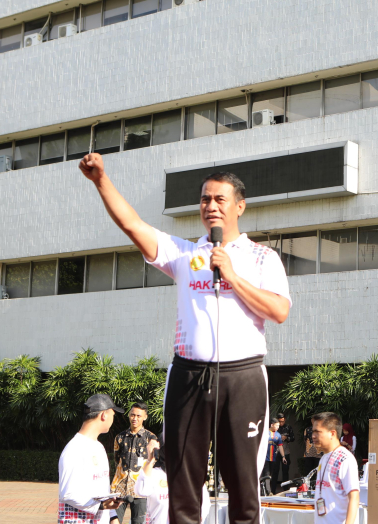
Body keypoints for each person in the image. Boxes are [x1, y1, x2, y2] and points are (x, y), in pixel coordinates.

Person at [79, 155, 291, 524]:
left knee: (243, 486)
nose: (211, 206)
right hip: (189, 376)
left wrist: (232, 276)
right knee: (183, 485)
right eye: (205, 199)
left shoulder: (262, 258)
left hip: (243, 378)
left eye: (220, 199)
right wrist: (100, 180)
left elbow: (279, 311)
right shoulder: (183, 253)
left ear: (240, 205)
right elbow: (132, 225)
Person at [58, 394, 124, 524]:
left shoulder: (99, 447)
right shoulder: (74, 449)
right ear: (103, 415)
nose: (113, 418)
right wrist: (101, 506)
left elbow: (104, 491)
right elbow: (68, 494)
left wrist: (113, 517)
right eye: (113, 414)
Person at [134, 439, 211, 524]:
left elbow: (205, 505)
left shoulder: (191, 475)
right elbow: (141, 491)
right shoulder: (154, 473)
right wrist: (150, 460)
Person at [112, 402, 159, 524]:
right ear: (129, 415)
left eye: (138, 416)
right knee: (113, 520)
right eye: (133, 415)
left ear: (145, 417)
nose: (135, 418)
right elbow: (117, 459)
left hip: (140, 488)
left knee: (138, 522)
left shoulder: (151, 438)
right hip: (119, 487)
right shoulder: (119, 437)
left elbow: (154, 463)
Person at [311, 412, 359, 524]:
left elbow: (354, 497)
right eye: (313, 432)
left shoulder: (345, 458)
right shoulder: (323, 458)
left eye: (317, 432)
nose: (313, 436)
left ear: (332, 433)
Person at [265, 418, 287, 492]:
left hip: (273, 458)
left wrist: (283, 457)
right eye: (277, 425)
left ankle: (269, 490)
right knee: (266, 475)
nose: (278, 427)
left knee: (271, 475)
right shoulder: (264, 432)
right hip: (265, 458)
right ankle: (268, 492)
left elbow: (280, 446)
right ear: (272, 425)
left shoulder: (278, 435)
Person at [276, 413, 295, 485]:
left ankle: (285, 488)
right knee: (275, 471)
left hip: (286, 451)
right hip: (276, 452)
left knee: (285, 471)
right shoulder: (275, 428)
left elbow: (293, 438)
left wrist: (286, 438)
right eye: (280, 421)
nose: (281, 423)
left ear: (285, 420)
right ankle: (273, 490)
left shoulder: (288, 427)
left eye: (282, 421)